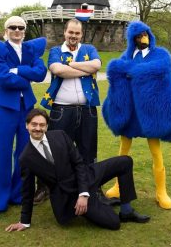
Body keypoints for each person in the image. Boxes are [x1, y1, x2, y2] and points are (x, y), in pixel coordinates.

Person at [5, 108, 150, 232]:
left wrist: (84, 193)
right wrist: (24, 221)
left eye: (42, 125)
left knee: (125, 162)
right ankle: (96, 201)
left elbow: (79, 163)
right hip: (69, 196)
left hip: (86, 176)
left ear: (47, 126)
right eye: (34, 124)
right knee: (114, 223)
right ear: (26, 125)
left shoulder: (60, 135)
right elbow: (27, 190)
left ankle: (126, 211)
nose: (38, 128)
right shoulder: (26, 158)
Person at [102, 21, 171, 210]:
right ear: (132, 39)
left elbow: (162, 70)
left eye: (145, 35)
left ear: (150, 35)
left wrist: (133, 72)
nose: (143, 39)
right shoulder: (127, 56)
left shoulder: (160, 55)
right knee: (123, 149)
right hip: (131, 111)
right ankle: (118, 186)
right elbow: (118, 74)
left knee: (156, 151)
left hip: (150, 113)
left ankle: (161, 191)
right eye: (139, 36)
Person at [0, 16, 47, 213]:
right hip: (5, 108)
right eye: (12, 27)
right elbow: (2, 78)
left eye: (20, 27)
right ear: (6, 30)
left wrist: (18, 70)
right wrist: (26, 77)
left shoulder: (31, 50)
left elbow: (40, 73)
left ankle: (19, 195)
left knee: (25, 153)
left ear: (25, 30)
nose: (17, 30)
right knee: (1, 152)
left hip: (27, 109)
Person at [35, 18, 102, 204]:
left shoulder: (88, 49)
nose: (73, 36)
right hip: (61, 110)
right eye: (70, 32)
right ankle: (45, 187)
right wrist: (84, 69)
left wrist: (70, 65)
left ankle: (91, 187)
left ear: (82, 34)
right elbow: (57, 69)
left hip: (87, 110)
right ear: (64, 32)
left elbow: (97, 65)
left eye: (77, 33)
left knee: (88, 150)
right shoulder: (56, 51)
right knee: (54, 150)